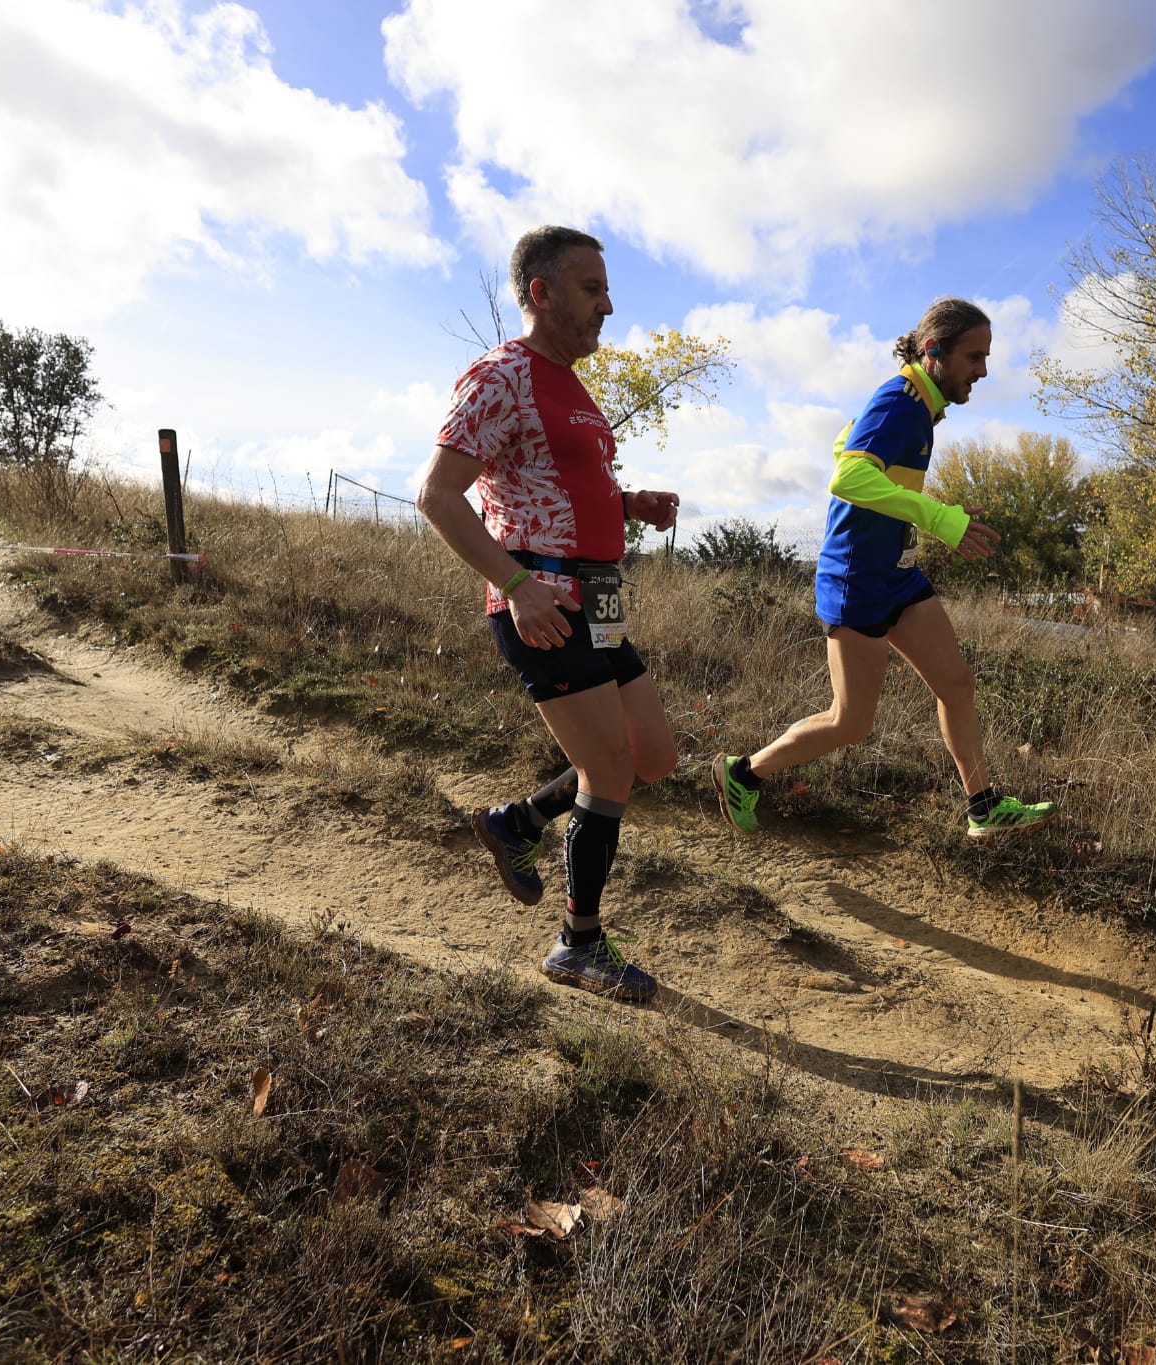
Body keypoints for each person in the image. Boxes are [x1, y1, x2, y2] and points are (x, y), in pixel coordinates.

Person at [417, 225, 681, 1003]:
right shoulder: (503, 376)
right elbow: (437, 495)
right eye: (593, 288)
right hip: (543, 601)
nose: (609, 304)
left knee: (653, 754)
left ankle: (517, 823)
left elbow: (553, 482)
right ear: (542, 293)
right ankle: (580, 945)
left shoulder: (574, 386)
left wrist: (629, 502)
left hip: (596, 599)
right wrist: (517, 584)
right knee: (610, 769)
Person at [712, 297, 1058, 841]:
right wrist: (941, 518)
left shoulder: (919, 406)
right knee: (851, 723)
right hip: (856, 583)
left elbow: (857, 459)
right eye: (975, 356)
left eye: (986, 357)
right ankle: (743, 773)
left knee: (957, 685)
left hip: (898, 576)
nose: (984, 371)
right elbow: (847, 480)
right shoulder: (900, 401)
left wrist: (850, 447)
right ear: (933, 351)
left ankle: (983, 805)